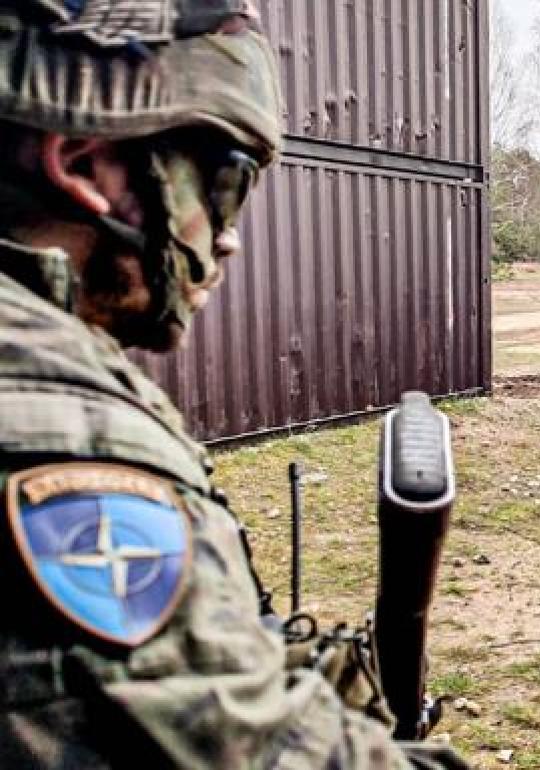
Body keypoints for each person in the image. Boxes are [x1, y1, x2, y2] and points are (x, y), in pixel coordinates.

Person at [0, 2, 467, 768]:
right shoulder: (52, 429)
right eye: (225, 181)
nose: (230, 234)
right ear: (82, 164)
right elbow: (240, 745)